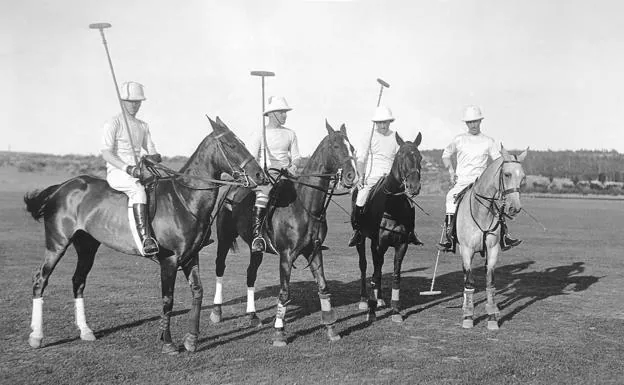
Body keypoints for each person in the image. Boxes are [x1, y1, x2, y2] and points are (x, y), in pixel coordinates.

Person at [438, 105, 522, 252]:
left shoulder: (488, 141)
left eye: (476, 121)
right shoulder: (459, 139)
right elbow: (446, 155)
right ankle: (449, 237)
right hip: (463, 181)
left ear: (480, 121)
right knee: (450, 197)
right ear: (466, 123)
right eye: (470, 122)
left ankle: (504, 236)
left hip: (482, 183)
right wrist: (451, 171)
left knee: (498, 202)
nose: (473, 125)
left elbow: (498, 161)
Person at [101, 81, 162, 256]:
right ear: (123, 102)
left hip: (139, 171)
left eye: (137, 102)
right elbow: (106, 153)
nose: (134, 105)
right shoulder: (113, 123)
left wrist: (154, 157)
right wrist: (128, 169)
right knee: (138, 190)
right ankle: (146, 239)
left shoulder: (142, 125)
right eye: (130, 101)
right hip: (119, 172)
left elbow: (151, 148)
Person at [348, 105, 421, 247]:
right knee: (361, 198)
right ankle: (357, 230)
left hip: (392, 176)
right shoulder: (368, 136)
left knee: (409, 202)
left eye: (385, 122)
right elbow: (361, 159)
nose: (383, 125)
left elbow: (402, 158)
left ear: (389, 122)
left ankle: (411, 232)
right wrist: (361, 176)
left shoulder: (395, 137)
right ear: (375, 123)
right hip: (372, 175)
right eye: (380, 122)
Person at [247, 96, 301, 253]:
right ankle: (257, 236)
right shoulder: (259, 133)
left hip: (287, 174)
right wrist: (262, 171)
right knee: (263, 196)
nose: (285, 115)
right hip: (267, 175)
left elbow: (297, 157)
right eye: (282, 112)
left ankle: (310, 235)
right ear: (271, 114)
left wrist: (294, 166)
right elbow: (251, 158)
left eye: (285, 112)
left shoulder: (290, 133)